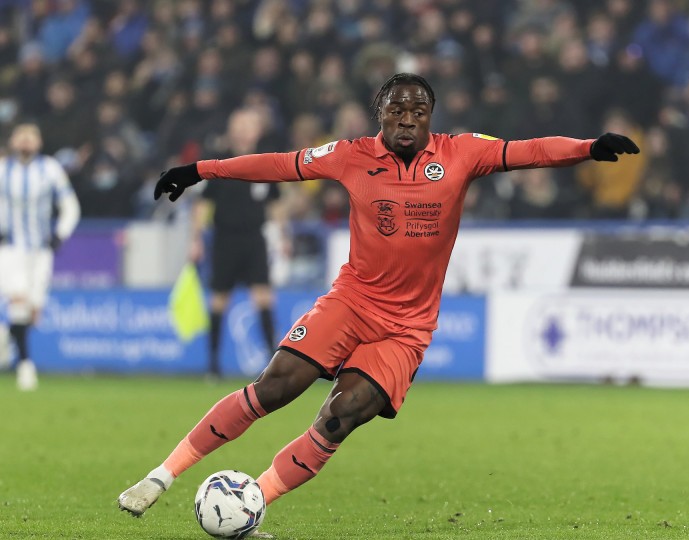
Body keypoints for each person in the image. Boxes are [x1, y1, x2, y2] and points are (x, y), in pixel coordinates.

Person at [117, 73, 638, 530]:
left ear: (430, 116)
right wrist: (201, 169)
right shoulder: (351, 155)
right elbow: (279, 164)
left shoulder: (462, 153)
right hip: (352, 300)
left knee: (339, 418)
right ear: (380, 116)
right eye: (397, 110)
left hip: (406, 328)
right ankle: (160, 477)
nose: (408, 119)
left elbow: (529, 150)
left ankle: (251, 503)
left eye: (419, 110)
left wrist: (589, 147)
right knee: (273, 388)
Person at [191, 109, 287, 379]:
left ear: (257, 131)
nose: (244, 131)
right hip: (224, 239)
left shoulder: (268, 164)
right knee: (219, 299)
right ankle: (212, 364)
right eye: (240, 126)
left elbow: (276, 202)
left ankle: (273, 363)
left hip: (254, 238)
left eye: (249, 125)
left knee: (263, 296)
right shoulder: (219, 164)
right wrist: (196, 238)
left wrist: (284, 235)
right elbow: (202, 203)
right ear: (232, 130)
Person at [0, 123, 80, 391]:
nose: (25, 141)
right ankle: (25, 366)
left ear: (39, 141)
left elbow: (70, 206)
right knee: (18, 298)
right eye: (20, 137)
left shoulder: (50, 170)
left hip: (41, 250)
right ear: (12, 141)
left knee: (33, 310)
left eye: (30, 136)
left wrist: (60, 234)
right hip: (11, 248)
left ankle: (4, 339)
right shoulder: (2, 170)